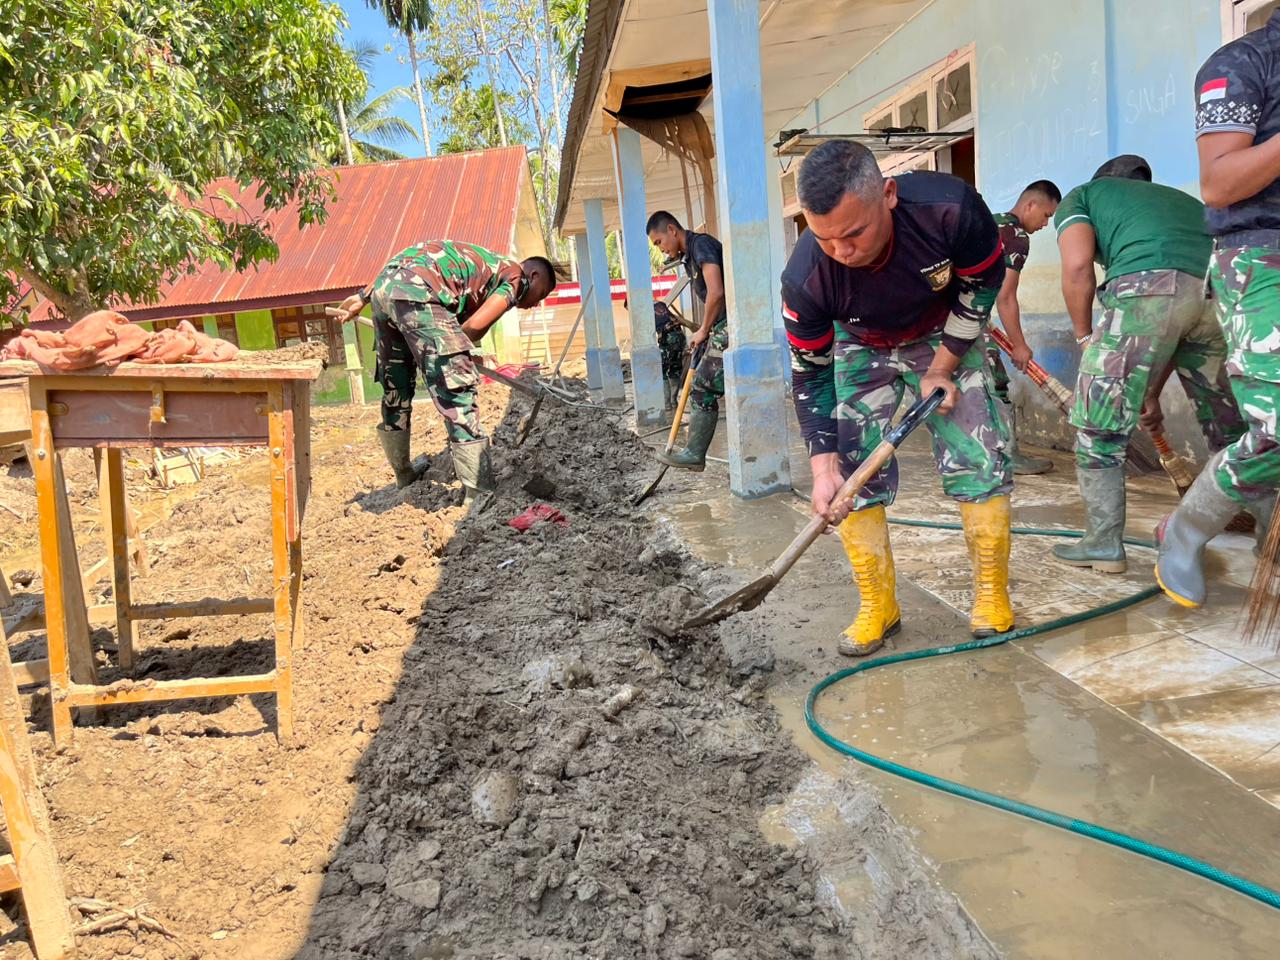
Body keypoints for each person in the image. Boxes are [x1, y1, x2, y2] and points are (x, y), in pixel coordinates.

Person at [782, 141, 1013, 656]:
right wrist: (822, 471)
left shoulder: (949, 210)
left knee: (979, 452)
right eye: (825, 239)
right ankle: (878, 606)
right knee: (847, 472)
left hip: (944, 329)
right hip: (860, 343)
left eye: (853, 234)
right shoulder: (805, 280)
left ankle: (991, 596)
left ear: (888, 195)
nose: (842, 251)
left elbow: (983, 284)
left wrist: (944, 365)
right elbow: (811, 377)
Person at [1052, 161, 1245, 575]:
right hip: (1218, 299)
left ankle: (1102, 544)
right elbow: (1178, 329)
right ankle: (1271, 541)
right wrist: (1151, 392)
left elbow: (1078, 267)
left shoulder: (1085, 195)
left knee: (1098, 427)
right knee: (1231, 433)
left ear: (1105, 180)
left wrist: (1086, 339)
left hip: (1145, 290)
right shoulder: (1184, 202)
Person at [1156, 11, 1280, 607]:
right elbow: (1219, 183)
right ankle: (1189, 527)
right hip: (1262, 255)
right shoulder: (1241, 64)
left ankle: (1269, 537)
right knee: (1278, 428)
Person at [332, 241, 556, 503]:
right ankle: (479, 492)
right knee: (457, 388)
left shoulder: (482, 263)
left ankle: (403, 473)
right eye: (541, 296)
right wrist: (457, 353)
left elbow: (407, 265)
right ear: (534, 276)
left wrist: (362, 296)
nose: (534, 304)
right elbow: (474, 325)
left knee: (396, 387)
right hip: (419, 294)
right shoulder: (516, 278)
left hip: (384, 289)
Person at [990, 179, 1062, 474]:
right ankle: (1007, 455)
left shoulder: (991, 223)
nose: (1045, 224)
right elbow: (1005, 296)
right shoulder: (1016, 235)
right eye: (1046, 215)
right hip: (962, 321)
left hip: (946, 315)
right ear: (1029, 205)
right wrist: (1019, 345)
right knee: (996, 384)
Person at [646, 212, 725, 470]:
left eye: (659, 242)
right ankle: (693, 452)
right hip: (721, 325)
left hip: (736, 323)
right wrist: (706, 331)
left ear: (672, 230)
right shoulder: (689, 257)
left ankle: (694, 454)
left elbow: (716, 291)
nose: (661, 249)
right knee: (699, 382)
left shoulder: (700, 245)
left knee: (702, 385)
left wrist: (703, 329)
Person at [654, 300, 687, 409]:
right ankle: (669, 401)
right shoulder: (669, 319)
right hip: (670, 349)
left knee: (672, 373)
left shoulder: (670, 318)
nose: (661, 310)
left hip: (673, 350)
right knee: (669, 373)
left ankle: (671, 401)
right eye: (658, 308)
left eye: (661, 308)